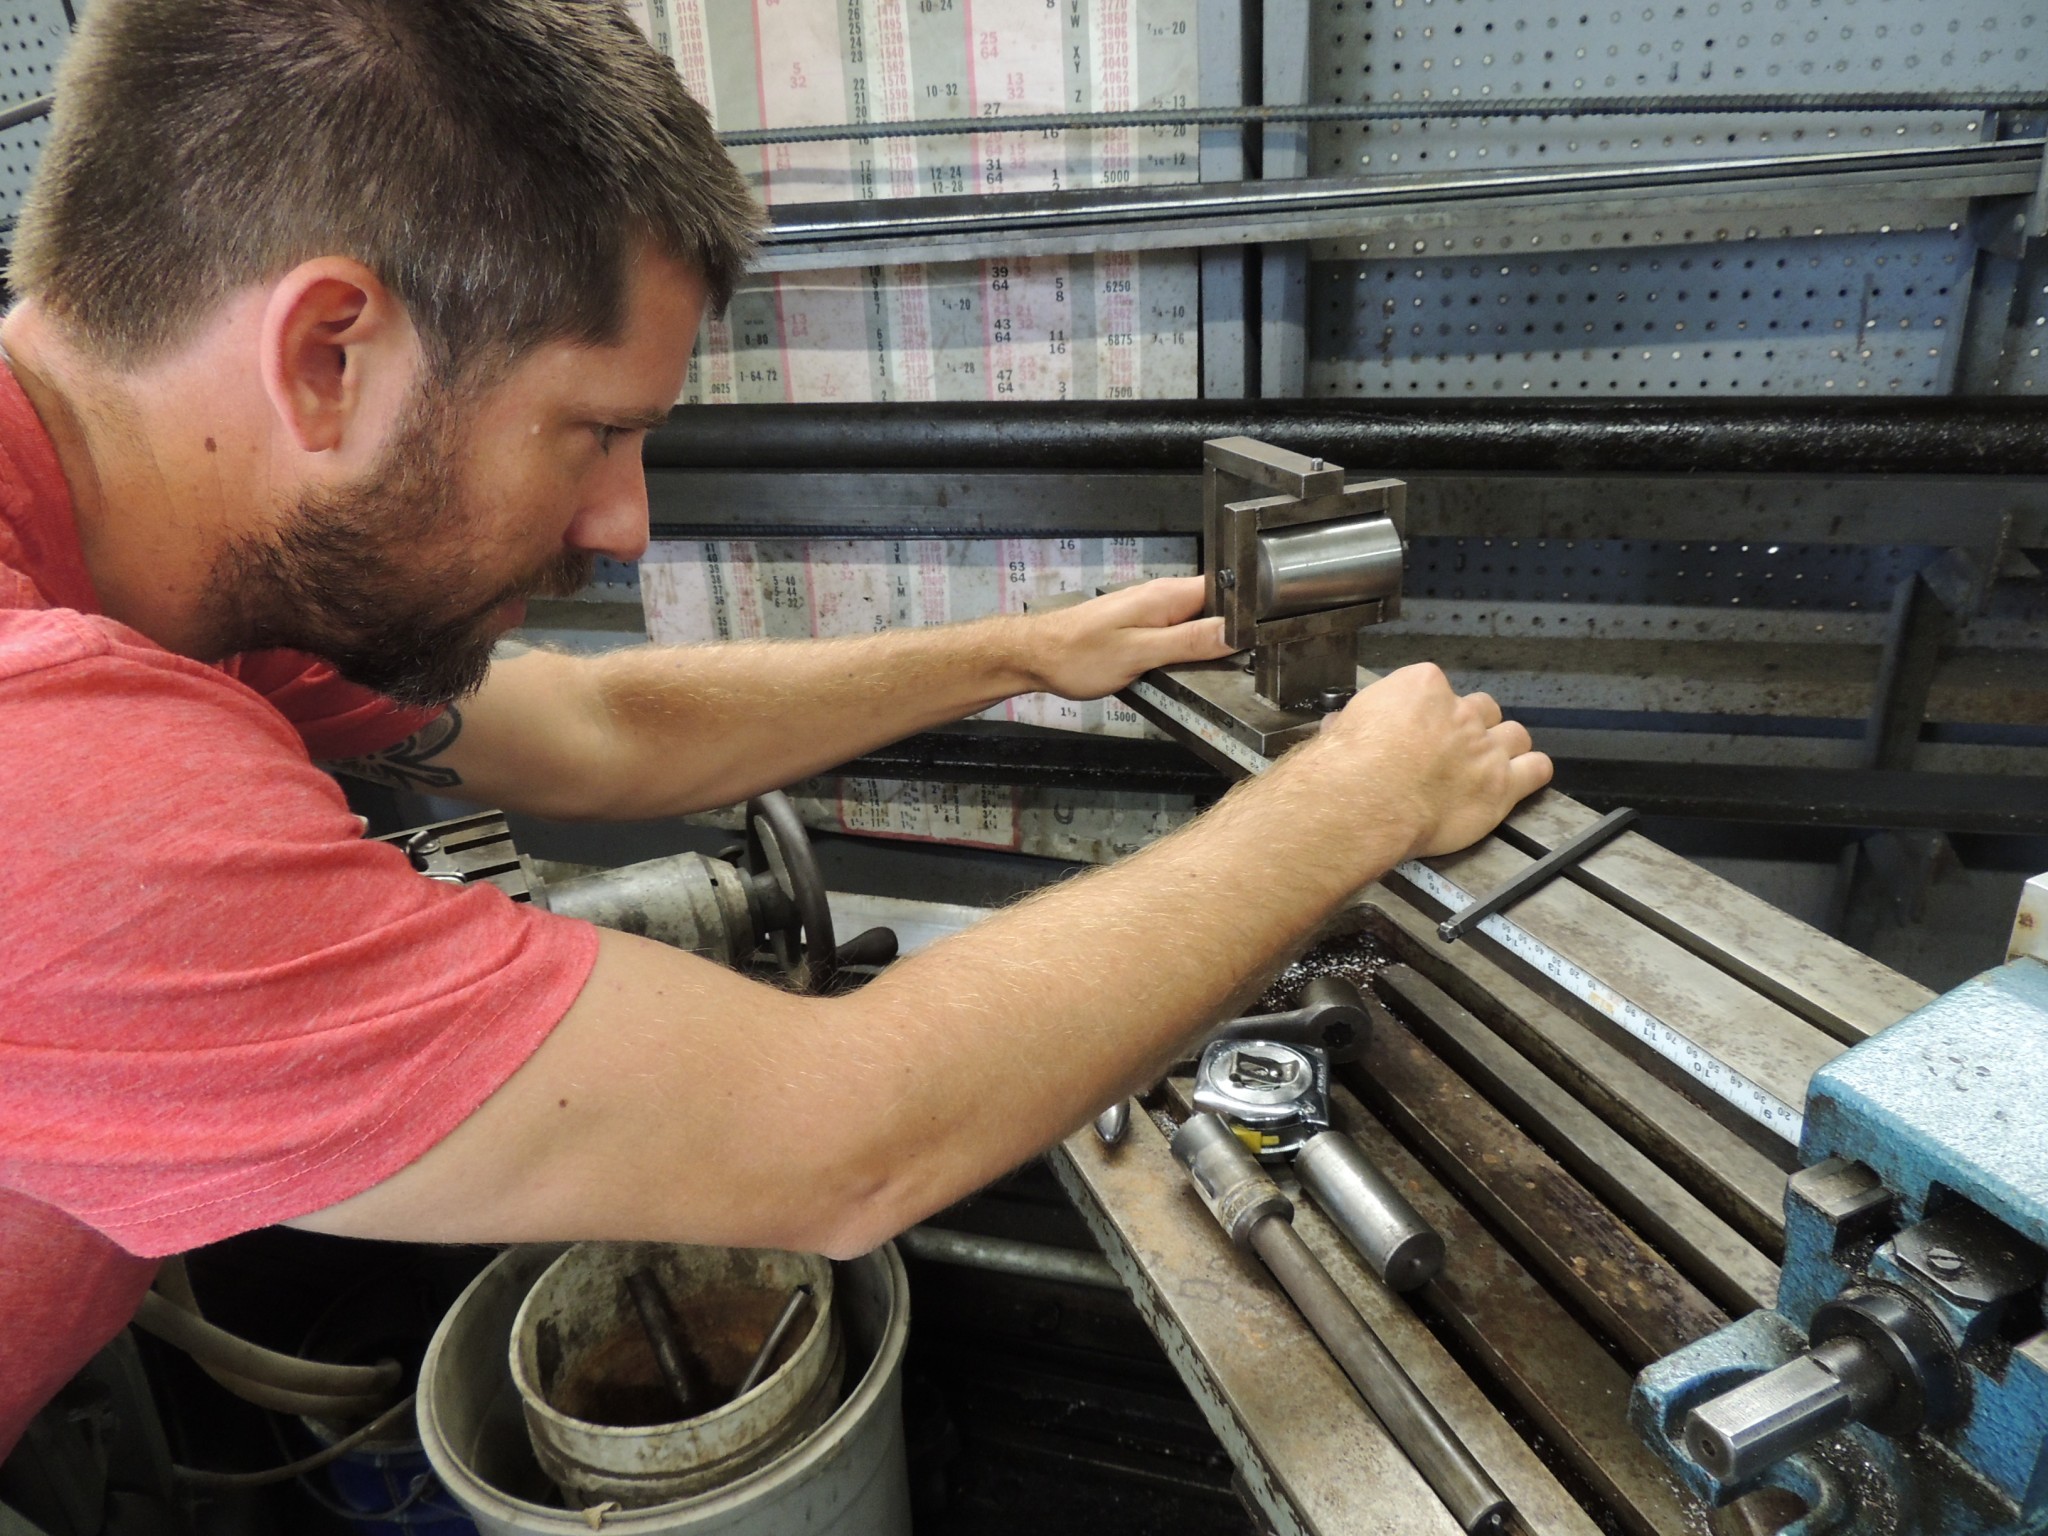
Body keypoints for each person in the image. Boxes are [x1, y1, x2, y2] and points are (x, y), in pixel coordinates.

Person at [0, 0, 1550, 1455]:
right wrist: (1353, 801)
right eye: (595, 430)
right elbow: (844, 1138)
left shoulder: (165, 560)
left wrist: (1022, 651)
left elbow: (595, 730)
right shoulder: (53, 780)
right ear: (328, 354)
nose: (624, 524)